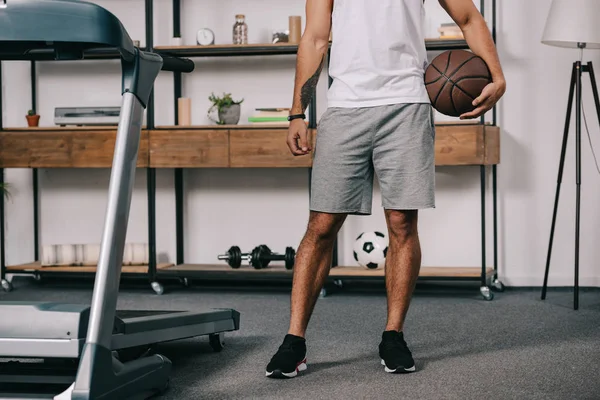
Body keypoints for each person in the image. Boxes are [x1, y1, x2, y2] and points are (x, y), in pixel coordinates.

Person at [266, 0, 506, 378]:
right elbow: (314, 38)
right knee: (321, 226)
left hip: (407, 104)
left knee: (401, 223)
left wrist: (497, 75)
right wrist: (297, 112)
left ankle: (393, 336)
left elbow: (468, 17)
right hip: (346, 106)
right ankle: (294, 341)